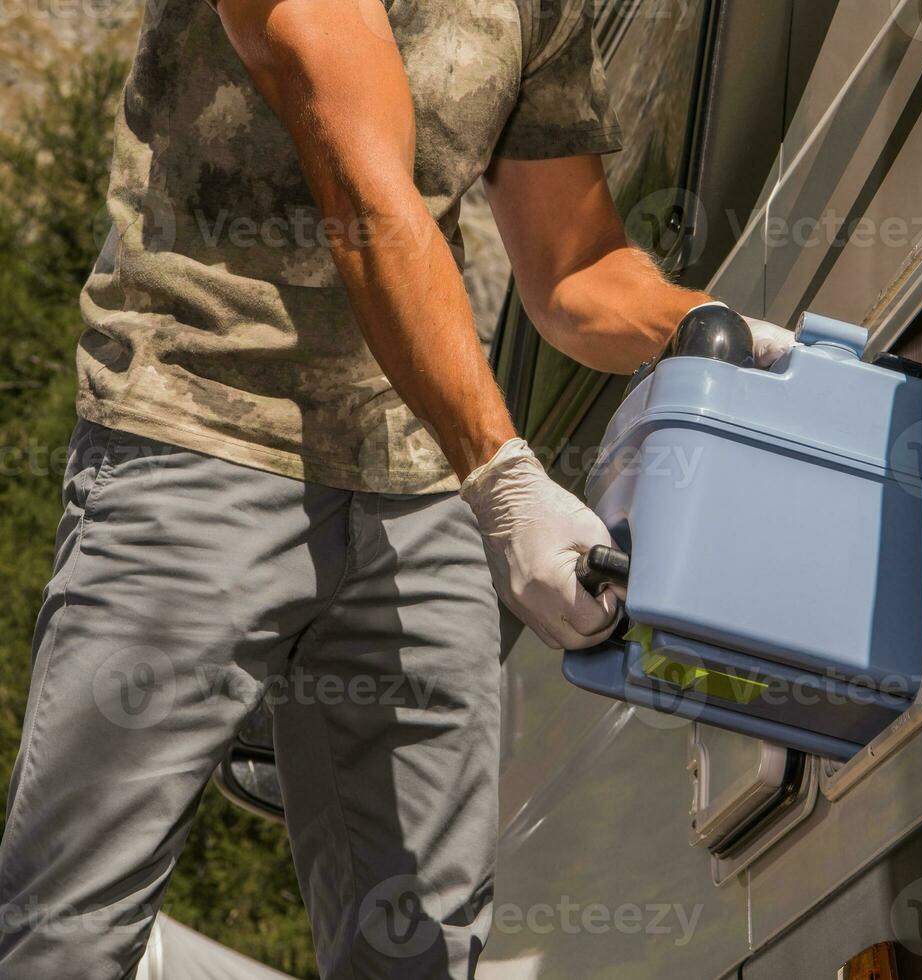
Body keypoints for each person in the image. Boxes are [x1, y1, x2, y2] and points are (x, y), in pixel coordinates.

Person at [0, 0, 792, 976]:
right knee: (68, 932)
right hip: (195, 431)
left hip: (417, 476)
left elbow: (577, 268)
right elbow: (370, 202)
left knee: (422, 946)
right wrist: (506, 479)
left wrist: (713, 328)